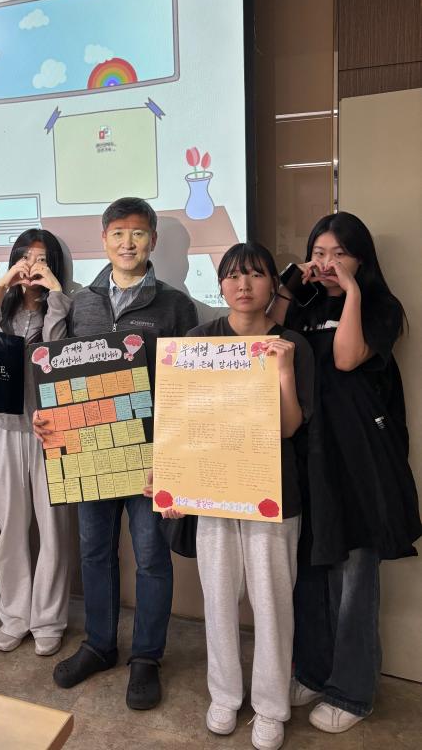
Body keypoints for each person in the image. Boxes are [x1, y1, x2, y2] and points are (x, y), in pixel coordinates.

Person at [147, 242, 314, 750]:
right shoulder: (197, 341)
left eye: (256, 275)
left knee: (272, 603)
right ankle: (224, 694)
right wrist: (170, 479)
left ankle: (271, 706)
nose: (244, 285)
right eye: (234, 275)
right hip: (212, 492)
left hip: (272, 493)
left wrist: (282, 372)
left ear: (272, 285)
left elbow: (289, 428)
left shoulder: (291, 345)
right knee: (218, 599)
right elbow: (179, 418)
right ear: (220, 284)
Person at [34, 197, 198, 710]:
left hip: (150, 455)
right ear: (104, 239)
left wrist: (174, 452)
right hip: (90, 452)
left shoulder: (175, 305)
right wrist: (50, 417)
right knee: (95, 552)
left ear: (153, 241)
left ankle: (147, 657)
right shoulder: (81, 302)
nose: (129, 243)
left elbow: (187, 384)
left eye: (139, 234)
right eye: (119, 233)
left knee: (151, 558)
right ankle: (100, 645)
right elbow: (58, 372)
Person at [273, 212, 421, 733]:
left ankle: (353, 692)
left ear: (361, 258)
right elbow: (271, 340)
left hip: (358, 455)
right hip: (307, 452)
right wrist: (291, 286)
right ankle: (313, 672)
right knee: (309, 568)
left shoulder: (382, 307)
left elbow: (345, 357)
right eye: (320, 252)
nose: (328, 262)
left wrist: (352, 291)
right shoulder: (305, 303)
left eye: (340, 253)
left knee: (354, 575)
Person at [0, 229, 71, 657]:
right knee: (10, 530)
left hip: (51, 431)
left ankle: (48, 619)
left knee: (53, 531)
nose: (32, 267)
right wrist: (0, 287)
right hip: (1, 429)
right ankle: (14, 615)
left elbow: (57, 357)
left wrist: (56, 297)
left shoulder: (64, 307)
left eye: (42, 259)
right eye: (25, 258)